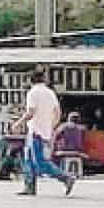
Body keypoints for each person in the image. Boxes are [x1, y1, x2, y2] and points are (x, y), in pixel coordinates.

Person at [19, 66, 76, 197]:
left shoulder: (32, 93)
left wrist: (18, 123)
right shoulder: (50, 93)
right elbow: (58, 113)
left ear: (30, 80)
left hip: (35, 131)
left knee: (40, 163)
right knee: (28, 159)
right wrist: (52, 127)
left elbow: (31, 112)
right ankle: (29, 186)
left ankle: (66, 178)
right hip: (44, 131)